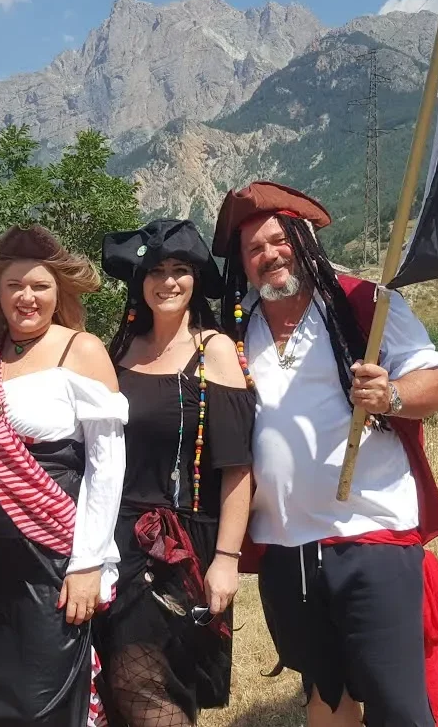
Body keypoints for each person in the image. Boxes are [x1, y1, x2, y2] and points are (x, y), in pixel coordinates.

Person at [211, 181, 438, 727]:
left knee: (398, 703)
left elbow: (437, 385)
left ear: (305, 244)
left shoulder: (364, 305)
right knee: (325, 698)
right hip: (286, 547)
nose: (269, 256)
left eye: (280, 241)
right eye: (254, 249)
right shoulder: (237, 328)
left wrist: (392, 394)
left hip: (369, 535)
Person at [0, 225, 128, 727]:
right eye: (14, 286)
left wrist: (88, 564)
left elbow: (107, 468)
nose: (27, 297)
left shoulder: (82, 350)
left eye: (39, 286)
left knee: (41, 702)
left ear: (58, 292)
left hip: (48, 562)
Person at [95, 219, 256, 726]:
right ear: (139, 282)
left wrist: (227, 559)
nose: (168, 281)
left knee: (150, 685)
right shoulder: (115, 353)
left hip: (182, 545)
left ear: (196, 280)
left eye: (180, 270)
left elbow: (239, 469)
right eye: (156, 270)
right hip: (113, 540)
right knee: (116, 688)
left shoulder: (215, 352)